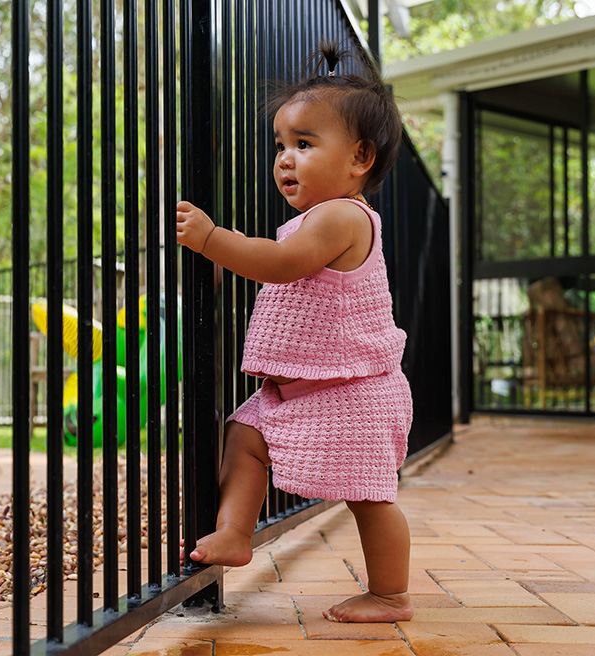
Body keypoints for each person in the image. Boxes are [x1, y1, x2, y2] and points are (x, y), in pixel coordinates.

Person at [174, 40, 413, 624]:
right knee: (243, 435)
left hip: (352, 394)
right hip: (297, 392)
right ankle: (234, 531)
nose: (285, 158)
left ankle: (390, 594)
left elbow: (280, 266)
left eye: (304, 145)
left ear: (359, 158)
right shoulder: (310, 221)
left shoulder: (342, 217)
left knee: (369, 496)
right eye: (280, 145)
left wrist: (211, 240)